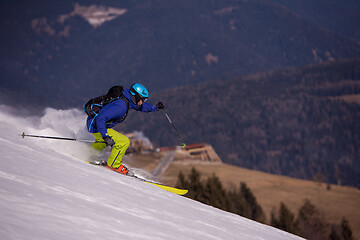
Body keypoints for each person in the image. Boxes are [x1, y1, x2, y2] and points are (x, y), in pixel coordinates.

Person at [86, 83, 164, 175]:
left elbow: (140, 107)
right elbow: (101, 118)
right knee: (123, 141)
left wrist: (154, 108)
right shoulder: (121, 106)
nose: (142, 102)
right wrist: (105, 135)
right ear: (136, 96)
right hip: (96, 125)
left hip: (95, 123)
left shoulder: (127, 98)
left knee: (103, 142)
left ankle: (87, 154)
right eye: (142, 99)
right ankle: (114, 165)